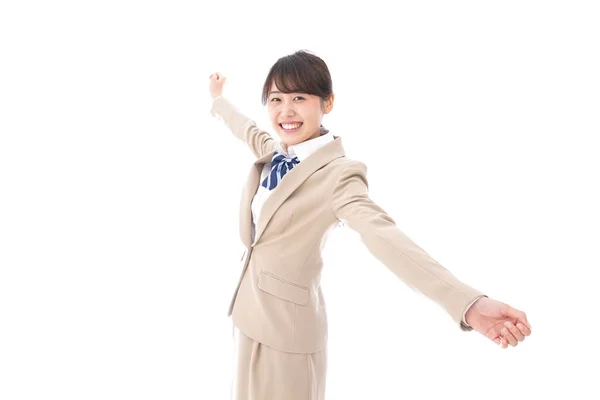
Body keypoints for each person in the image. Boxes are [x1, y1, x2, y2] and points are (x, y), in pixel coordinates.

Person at [208, 50, 532, 400]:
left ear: (327, 102)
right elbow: (244, 127)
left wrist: (468, 304)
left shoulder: (339, 175)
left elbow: (385, 238)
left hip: (288, 335)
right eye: (276, 99)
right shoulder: (273, 151)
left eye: (299, 98)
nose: (285, 111)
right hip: (247, 315)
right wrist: (218, 98)